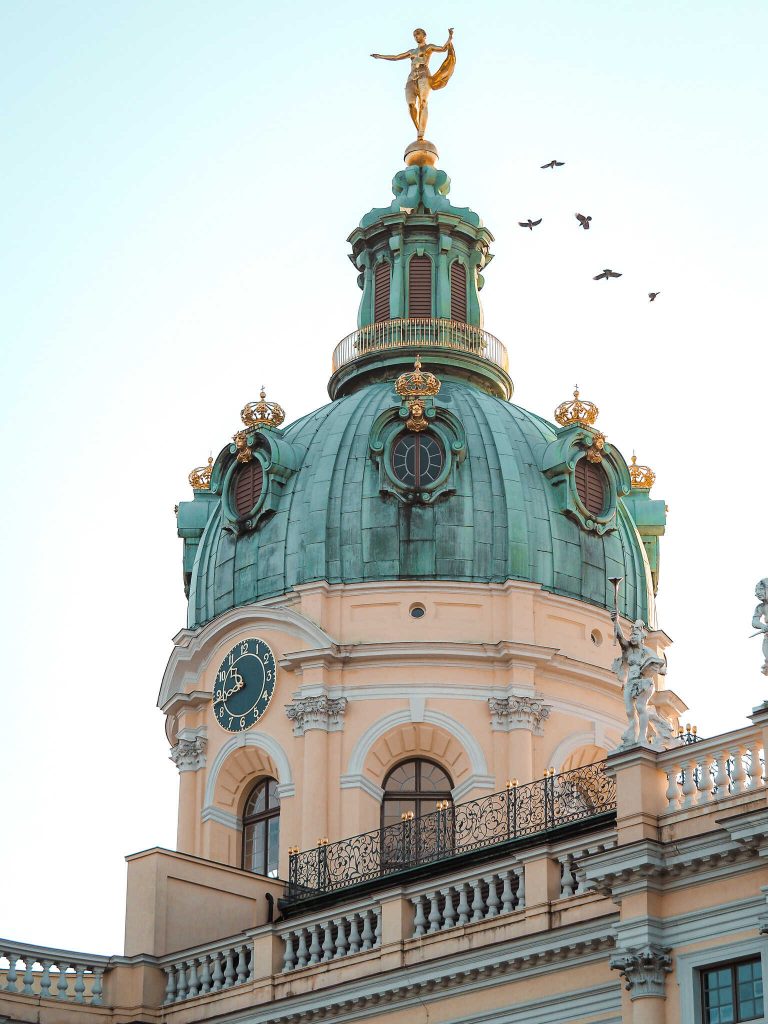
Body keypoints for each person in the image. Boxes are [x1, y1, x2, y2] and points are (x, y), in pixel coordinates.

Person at [371, 28, 456, 140]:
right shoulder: (412, 51)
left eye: (418, 34)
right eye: (414, 35)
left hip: (423, 75)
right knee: (411, 104)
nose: (416, 37)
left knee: (423, 102)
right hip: (411, 77)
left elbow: (443, 48)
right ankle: (418, 129)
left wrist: (450, 37)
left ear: (424, 35)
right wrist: (380, 56)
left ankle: (421, 133)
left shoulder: (428, 47)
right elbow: (396, 57)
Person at [611, 613, 674, 749]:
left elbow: (659, 664)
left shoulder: (647, 651)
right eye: (632, 635)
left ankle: (642, 737)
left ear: (642, 637)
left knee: (640, 707)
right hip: (630, 683)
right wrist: (615, 621)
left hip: (644, 682)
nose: (633, 637)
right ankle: (632, 734)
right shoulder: (628, 650)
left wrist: (652, 667)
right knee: (629, 710)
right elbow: (620, 637)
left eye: (636, 635)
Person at [753, 579, 768, 676]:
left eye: (762, 589)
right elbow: (754, 621)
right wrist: (763, 626)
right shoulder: (761, 607)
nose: (758, 593)